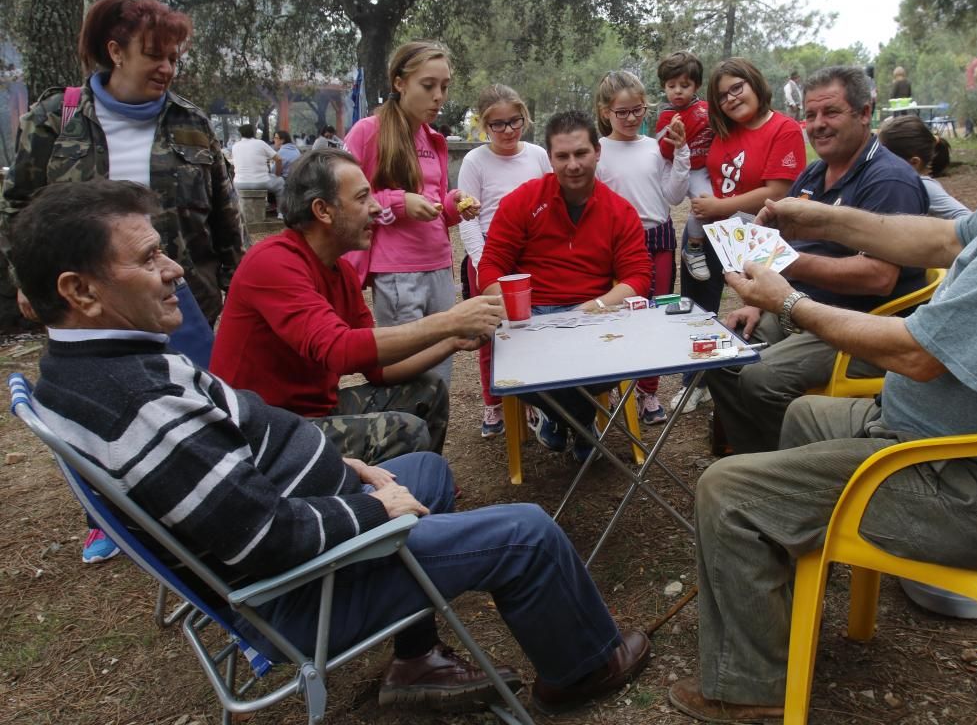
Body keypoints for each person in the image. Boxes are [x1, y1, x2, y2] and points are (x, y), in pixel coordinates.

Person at [668, 0, 977, 722]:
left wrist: (788, 298)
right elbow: (939, 242)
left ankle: (749, 693)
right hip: (947, 446)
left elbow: (920, 355)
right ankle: (791, 599)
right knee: (804, 413)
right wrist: (822, 217)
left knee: (728, 490)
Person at [11, 179, 652, 716]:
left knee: (425, 465)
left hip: (298, 519)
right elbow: (263, 538)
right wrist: (378, 509)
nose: (174, 269)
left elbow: (243, 438)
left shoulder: (103, 365)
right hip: (299, 593)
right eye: (149, 257)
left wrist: (342, 464)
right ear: (81, 292)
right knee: (527, 533)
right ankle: (583, 670)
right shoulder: (135, 404)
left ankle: (414, 660)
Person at [0, 0, 246, 563]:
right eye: (153, 54)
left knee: (192, 396)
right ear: (114, 51)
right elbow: (19, 208)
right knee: (101, 407)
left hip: (185, 291)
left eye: (174, 56)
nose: (167, 67)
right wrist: (25, 278)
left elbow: (225, 215)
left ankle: (206, 501)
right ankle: (109, 518)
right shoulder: (53, 121)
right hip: (91, 301)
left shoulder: (191, 124)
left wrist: (235, 285)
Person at [211, 148, 495, 463]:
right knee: (403, 431)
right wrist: (449, 321)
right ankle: (381, 506)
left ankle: (421, 486)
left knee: (429, 390)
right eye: (362, 198)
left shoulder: (341, 270)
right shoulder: (273, 262)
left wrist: (452, 341)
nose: (376, 208)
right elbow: (338, 349)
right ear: (323, 210)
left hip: (310, 415)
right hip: (259, 433)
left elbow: (378, 370)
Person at [707, 66, 929, 455]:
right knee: (719, 355)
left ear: (864, 113)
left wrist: (786, 264)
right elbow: (773, 239)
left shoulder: (888, 180)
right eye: (810, 116)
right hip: (801, 309)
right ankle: (752, 459)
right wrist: (756, 305)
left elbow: (878, 278)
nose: (817, 125)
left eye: (831, 113)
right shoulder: (813, 174)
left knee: (761, 377)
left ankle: (791, 472)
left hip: (863, 325)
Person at [477, 111, 651, 462]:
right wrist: (510, 308)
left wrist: (594, 307)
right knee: (518, 363)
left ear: (597, 151)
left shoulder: (619, 211)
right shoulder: (523, 201)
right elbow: (491, 266)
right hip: (532, 317)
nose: (573, 165)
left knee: (593, 362)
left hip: (593, 314)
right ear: (550, 157)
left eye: (581, 154)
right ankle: (583, 426)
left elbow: (638, 278)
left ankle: (558, 417)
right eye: (562, 156)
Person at [674, 57, 806, 415]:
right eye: (723, 95)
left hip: (754, 236)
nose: (731, 99)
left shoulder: (784, 128)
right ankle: (694, 383)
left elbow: (777, 191)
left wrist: (719, 206)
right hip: (709, 231)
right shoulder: (723, 129)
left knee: (758, 311)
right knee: (697, 308)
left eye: (737, 88)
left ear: (755, 83)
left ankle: (754, 389)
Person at [343, 41, 477, 389]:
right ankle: (406, 439)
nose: (439, 97)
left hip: (438, 267)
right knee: (408, 371)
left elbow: (433, 208)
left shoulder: (433, 139)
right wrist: (400, 202)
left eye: (445, 87)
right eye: (428, 85)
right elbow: (345, 196)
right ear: (400, 83)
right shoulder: (368, 132)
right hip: (398, 273)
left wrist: (454, 205)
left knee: (440, 368)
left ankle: (432, 442)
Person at [595, 70, 690, 425]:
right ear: (606, 112)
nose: (632, 118)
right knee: (617, 314)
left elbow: (674, 194)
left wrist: (681, 152)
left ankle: (648, 391)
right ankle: (614, 385)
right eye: (623, 112)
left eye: (639, 110)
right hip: (615, 243)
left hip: (658, 238)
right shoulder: (598, 151)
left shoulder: (654, 147)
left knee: (654, 314)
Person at [457, 84, 551, 438]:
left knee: (529, 330)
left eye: (515, 121)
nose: (508, 130)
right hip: (488, 258)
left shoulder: (538, 155)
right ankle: (494, 403)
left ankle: (530, 399)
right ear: (485, 126)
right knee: (491, 333)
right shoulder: (474, 161)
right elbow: (467, 218)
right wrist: (485, 266)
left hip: (530, 260)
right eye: (498, 125)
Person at [654, 51, 715, 283]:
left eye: (684, 85)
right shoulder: (666, 117)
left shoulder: (707, 109)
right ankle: (693, 247)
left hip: (711, 167)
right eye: (671, 85)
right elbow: (665, 151)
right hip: (689, 170)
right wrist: (674, 137)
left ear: (696, 85)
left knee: (723, 202)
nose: (677, 91)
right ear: (664, 87)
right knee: (704, 200)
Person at [877, 115, 971, 220]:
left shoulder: (923, 186)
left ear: (914, 162)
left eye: (884, 156)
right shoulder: (893, 181)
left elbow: (968, 219)